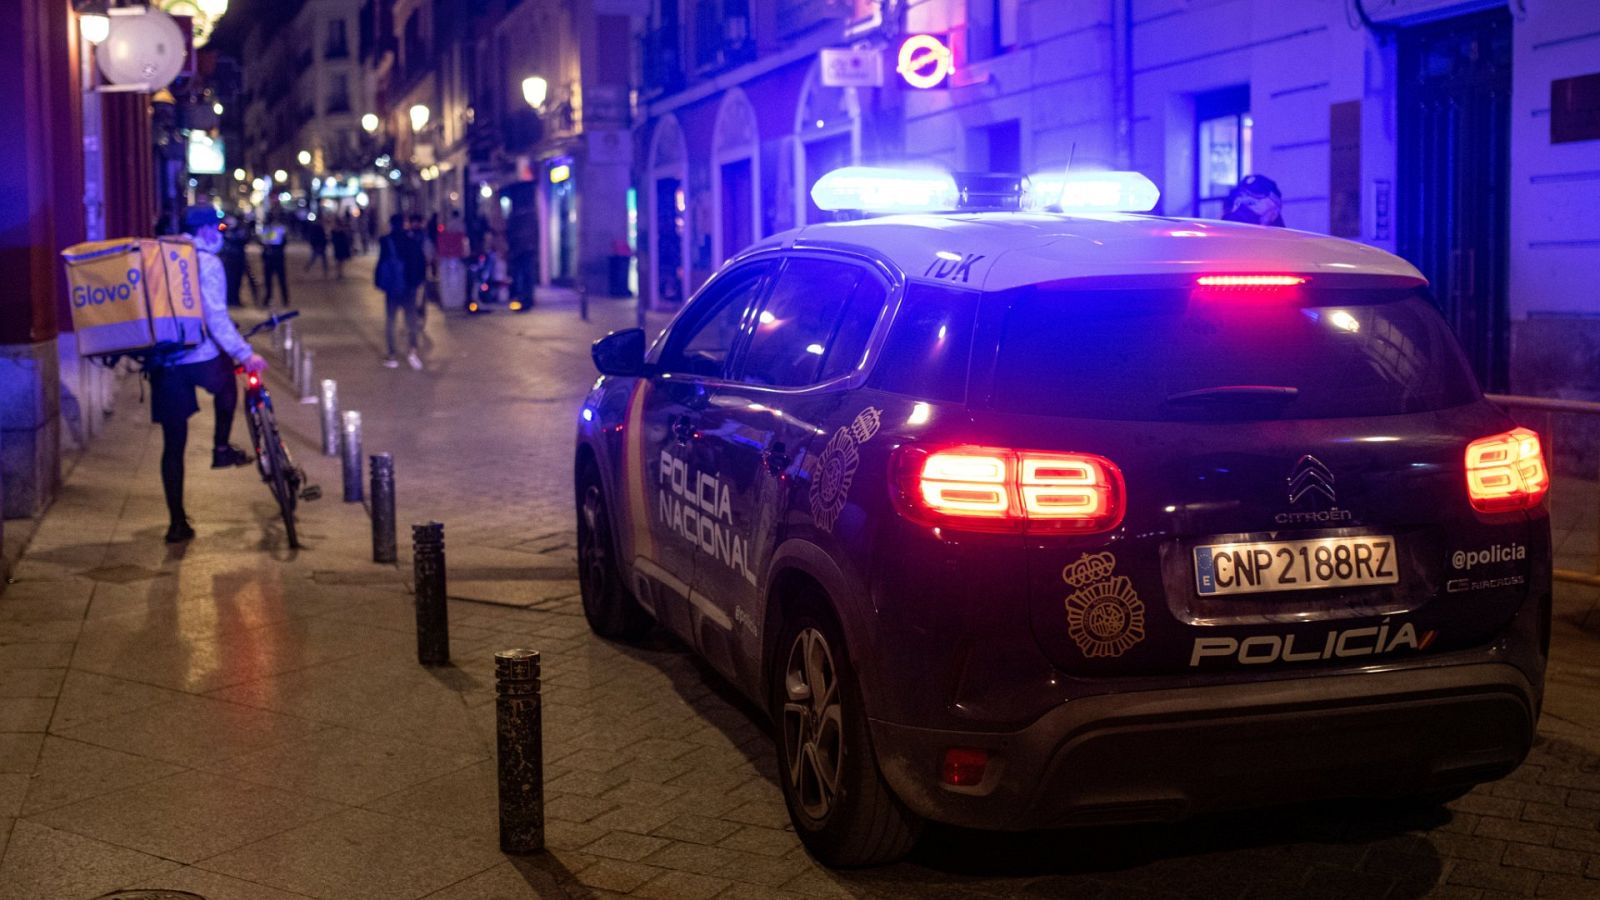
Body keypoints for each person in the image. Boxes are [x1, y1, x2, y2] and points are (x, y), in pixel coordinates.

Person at [148, 207, 268, 543]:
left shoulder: (157, 255)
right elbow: (215, 317)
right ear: (203, 230)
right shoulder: (207, 262)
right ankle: (220, 447)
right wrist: (245, 353)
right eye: (215, 227)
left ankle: (176, 523)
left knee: (173, 446)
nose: (219, 233)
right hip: (199, 355)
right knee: (228, 384)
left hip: (164, 360)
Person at [376, 213, 427, 370]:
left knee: (391, 320)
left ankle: (392, 355)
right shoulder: (412, 241)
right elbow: (420, 261)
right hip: (409, 286)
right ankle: (412, 351)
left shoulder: (386, 241)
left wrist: (380, 282)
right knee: (410, 320)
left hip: (393, 287)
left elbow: (381, 263)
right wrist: (418, 281)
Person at [1220, 174, 1287, 227]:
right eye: (1241, 195)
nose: (1243, 202)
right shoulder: (1233, 220)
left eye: (1251, 202)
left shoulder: (1285, 241)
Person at [259, 218, 289, 306]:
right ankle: (268, 298)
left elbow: (284, 243)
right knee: (268, 281)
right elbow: (262, 242)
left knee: (281, 280)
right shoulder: (267, 231)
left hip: (277, 258)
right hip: (270, 258)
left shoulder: (280, 230)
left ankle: (285, 299)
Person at [331, 215, 353, 280]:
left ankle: (340, 273)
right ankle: (339, 273)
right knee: (340, 261)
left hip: (340, 247)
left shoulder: (337, 230)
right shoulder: (338, 230)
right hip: (340, 247)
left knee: (340, 261)